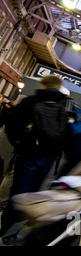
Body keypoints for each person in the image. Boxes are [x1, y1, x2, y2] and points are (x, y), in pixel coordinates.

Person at [0, 75, 68, 244]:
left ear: (43, 85)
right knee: (32, 197)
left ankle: (6, 233)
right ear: (59, 88)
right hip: (49, 158)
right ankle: (17, 232)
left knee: (18, 195)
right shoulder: (63, 106)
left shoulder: (31, 101)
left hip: (28, 155)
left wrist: (20, 143)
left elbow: (11, 124)